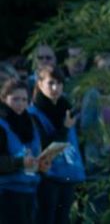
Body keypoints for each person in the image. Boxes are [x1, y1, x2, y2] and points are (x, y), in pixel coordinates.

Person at [27, 65, 85, 224]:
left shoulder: (66, 108)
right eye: (50, 83)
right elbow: (43, 146)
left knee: (64, 219)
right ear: (39, 84)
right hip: (47, 176)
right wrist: (65, 128)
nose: (55, 88)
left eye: (59, 83)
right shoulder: (33, 113)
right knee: (46, 218)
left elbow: (75, 143)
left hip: (69, 173)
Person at [0, 79, 49, 224]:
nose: (20, 103)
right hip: (7, 193)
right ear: (3, 98)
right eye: (15, 99)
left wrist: (41, 165)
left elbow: (35, 152)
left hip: (29, 191)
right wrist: (20, 162)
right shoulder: (2, 125)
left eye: (24, 99)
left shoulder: (30, 122)